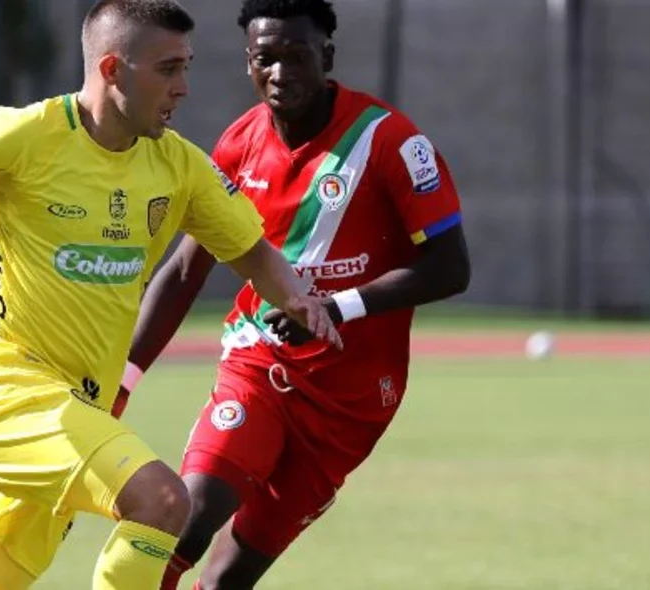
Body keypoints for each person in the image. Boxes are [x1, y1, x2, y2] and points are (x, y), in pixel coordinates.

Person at [0, 1, 343, 589]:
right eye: (168, 69)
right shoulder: (25, 136)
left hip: (76, 406)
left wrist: (297, 299)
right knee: (162, 503)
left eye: (187, 67)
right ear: (111, 70)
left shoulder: (179, 166)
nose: (184, 87)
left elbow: (252, 250)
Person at [116, 1, 473, 588]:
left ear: (326, 57)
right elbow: (186, 270)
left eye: (297, 56)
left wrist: (337, 309)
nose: (281, 73)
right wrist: (124, 377)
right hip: (260, 364)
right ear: (248, 64)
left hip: (350, 408)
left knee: (226, 581)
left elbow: (450, 267)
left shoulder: (389, 142)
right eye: (266, 59)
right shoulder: (237, 146)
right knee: (187, 517)